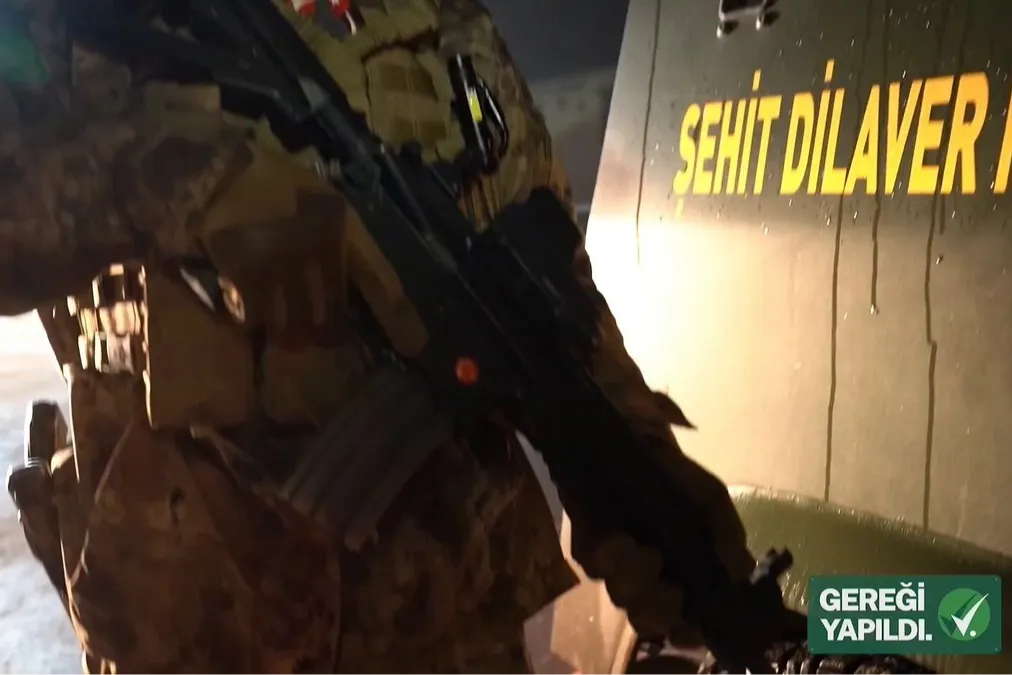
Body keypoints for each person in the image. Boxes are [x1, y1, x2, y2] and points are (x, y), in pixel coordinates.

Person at [0, 0, 762, 672]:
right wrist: (185, 179)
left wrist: (629, 454)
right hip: (198, 618)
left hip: (447, 621)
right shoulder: (65, 17)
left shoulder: (441, 19)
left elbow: (542, 270)